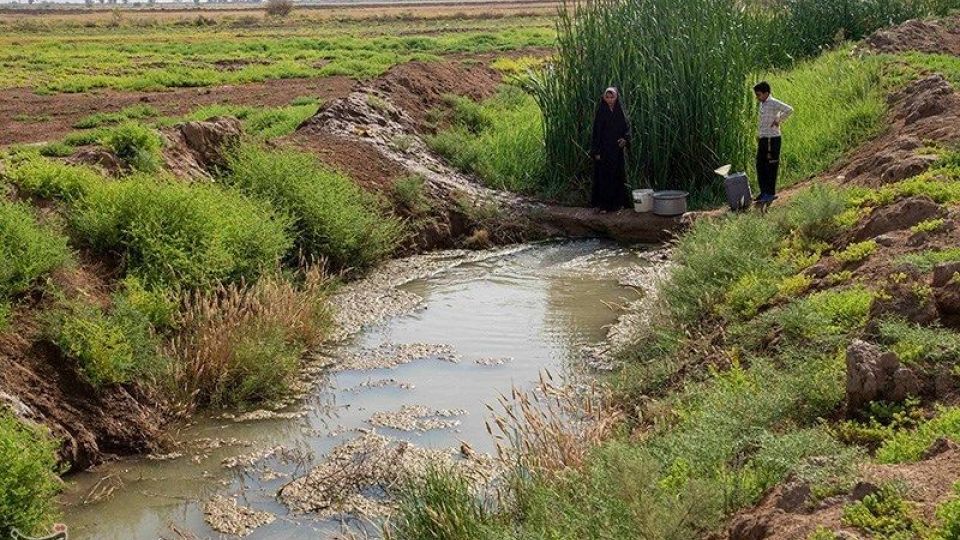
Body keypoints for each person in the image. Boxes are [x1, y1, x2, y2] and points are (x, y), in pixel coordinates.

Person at [590, 87, 631, 212]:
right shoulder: (601, 112)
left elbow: (627, 128)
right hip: (603, 150)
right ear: (603, 98)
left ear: (616, 97)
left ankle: (618, 204)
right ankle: (603, 205)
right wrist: (596, 151)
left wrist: (625, 139)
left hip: (616, 150)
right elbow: (596, 132)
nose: (609, 100)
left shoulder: (620, 111)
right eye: (607, 97)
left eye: (612, 97)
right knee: (604, 177)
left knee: (617, 175)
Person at [753, 81, 793, 204]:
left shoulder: (773, 102)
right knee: (760, 165)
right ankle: (764, 191)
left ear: (766, 93)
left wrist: (778, 120)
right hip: (764, 138)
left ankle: (770, 193)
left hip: (772, 138)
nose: (757, 97)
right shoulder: (763, 104)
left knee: (770, 166)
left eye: (759, 95)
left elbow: (789, 109)